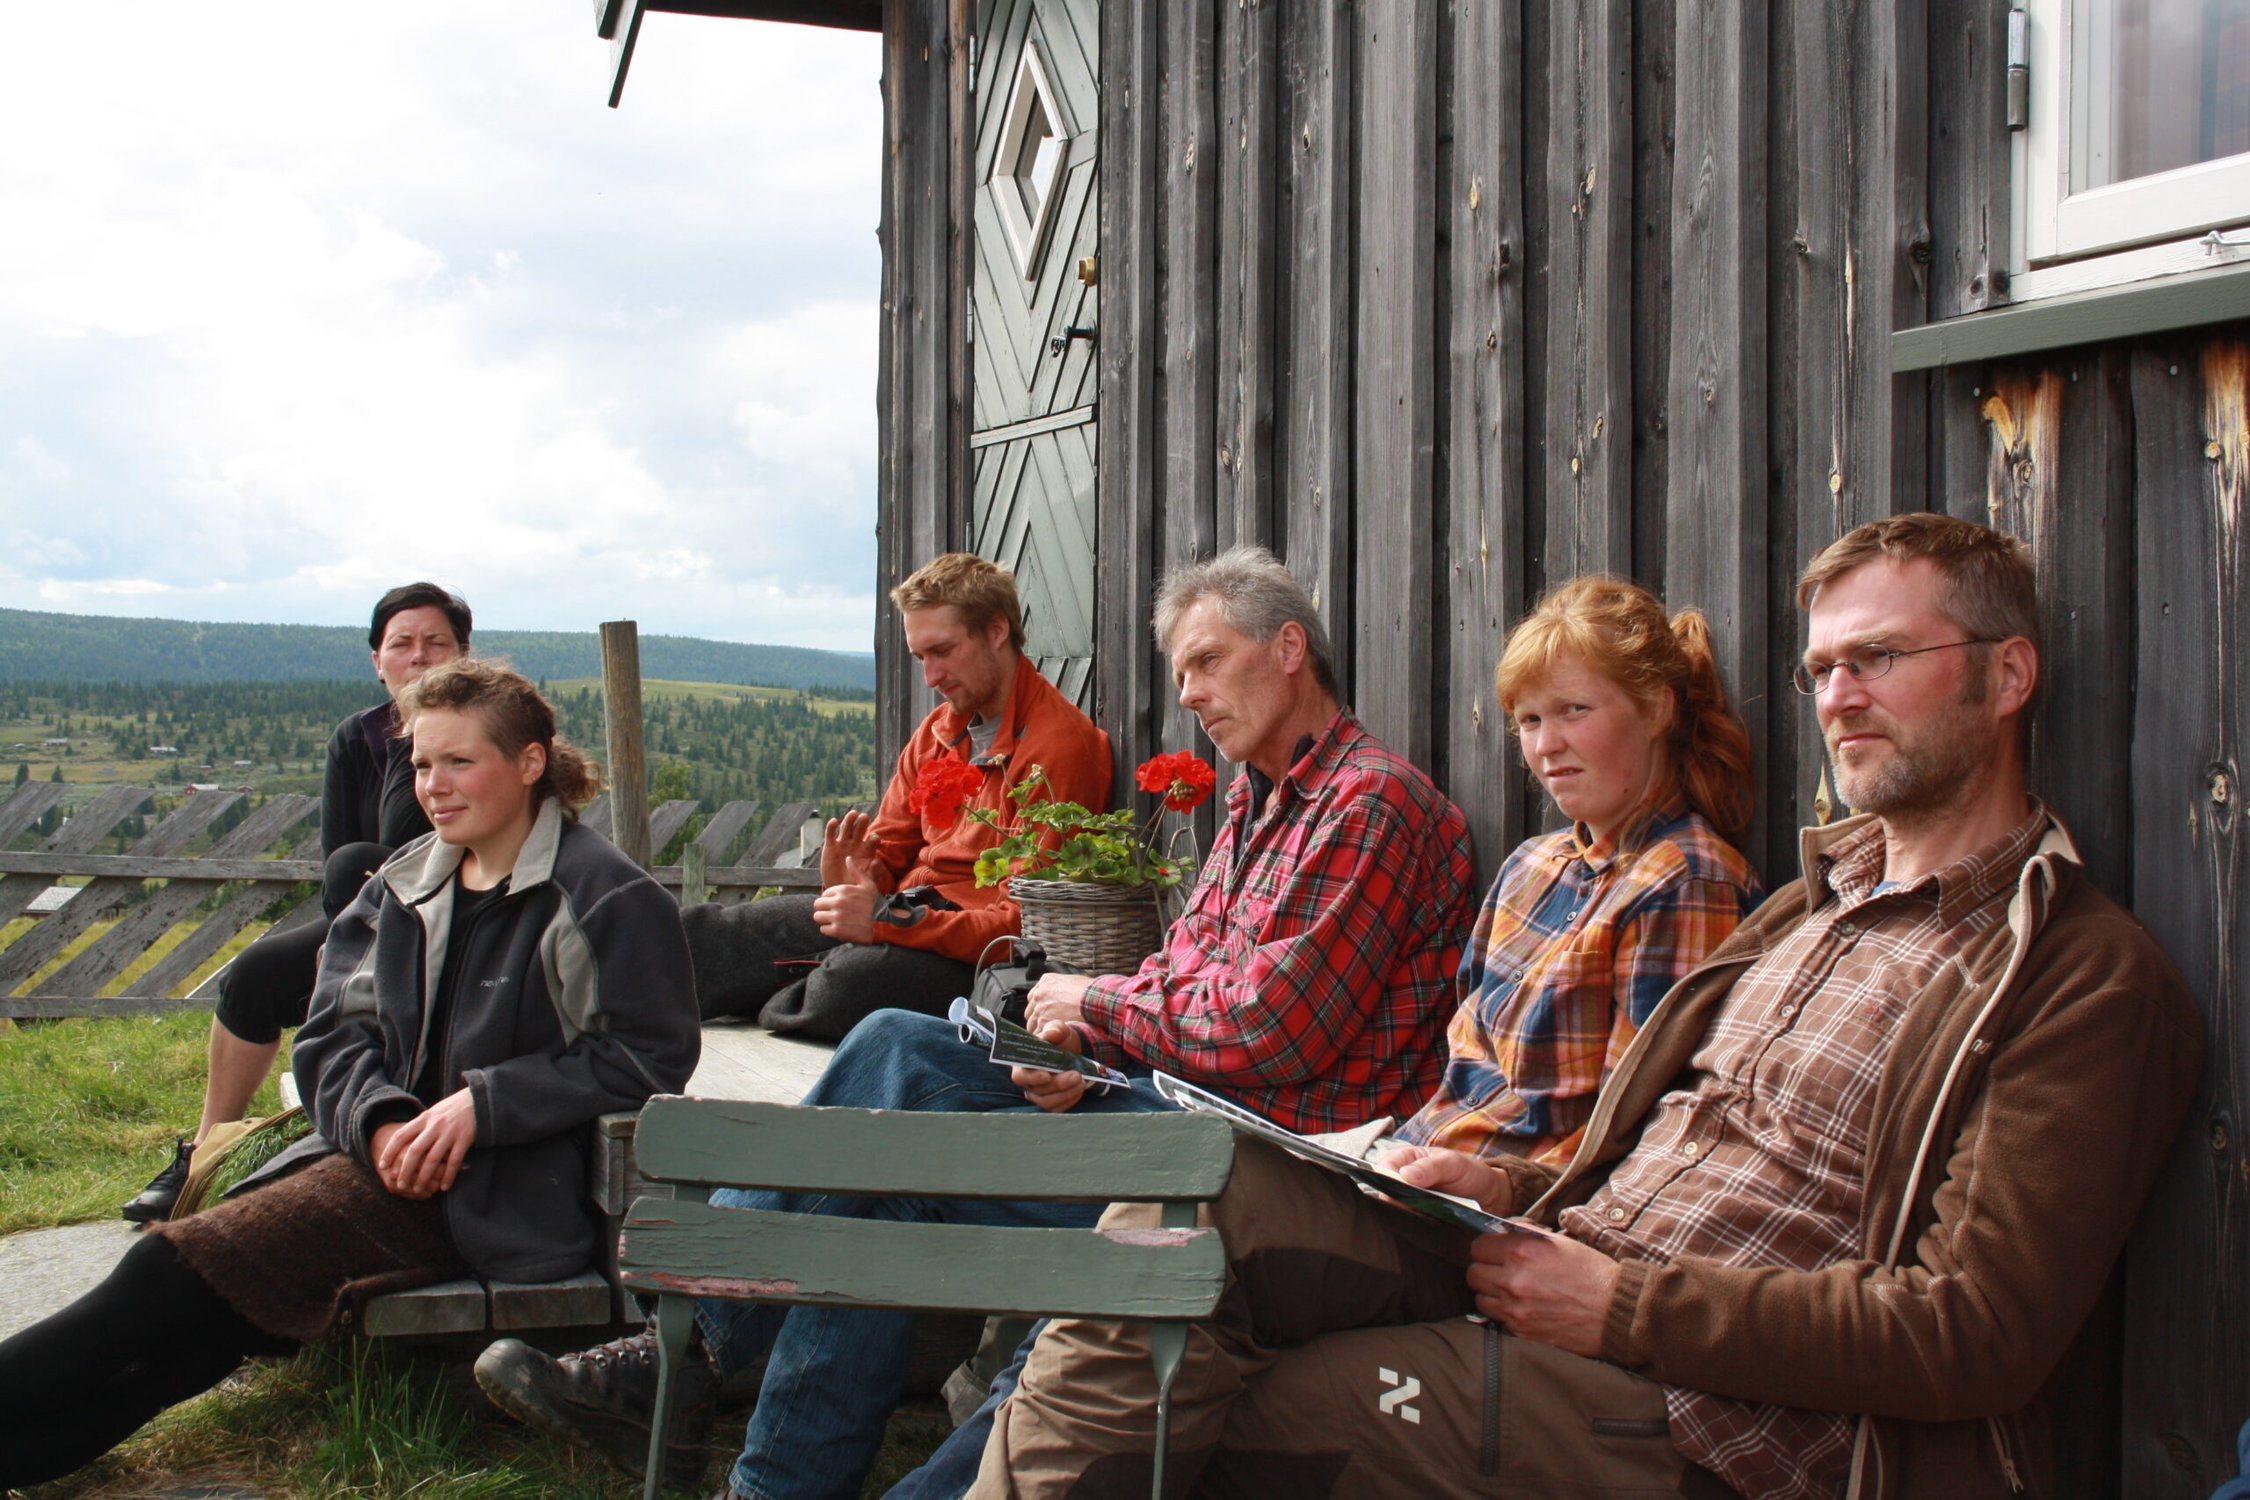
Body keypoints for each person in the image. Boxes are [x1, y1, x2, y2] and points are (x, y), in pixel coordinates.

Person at [971, 514, 2205, 1500]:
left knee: (1237, 1409)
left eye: (1880, 658)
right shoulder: (1801, 914)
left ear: (2006, 677)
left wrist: (1623, 1305)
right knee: (1194, 1190)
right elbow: (1610, 1123)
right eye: (1822, 666)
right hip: (1538, 1257)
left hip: (1709, 1419)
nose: (1838, 696)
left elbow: (1976, 1332)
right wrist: (1503, 1189)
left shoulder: (2074, 979)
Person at [474, 543, 1481, 1498]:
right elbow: (1180, 972)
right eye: (1181, 672)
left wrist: (1088, 1004)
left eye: (1206, 662)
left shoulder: (1368, 805)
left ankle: (689, 1362)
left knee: (899, 1069)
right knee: (891, 1151)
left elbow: (1270, 1032)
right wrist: (1083, 1046)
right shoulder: (1260, 806)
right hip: (1182, 1114)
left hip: (1281, 1166)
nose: (1187, 694)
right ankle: (763, 1470)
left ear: (1290, 649)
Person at [891, 572, 1768, 1498]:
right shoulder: (1535, 867)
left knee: (1147, 1214)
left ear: (1659, 706)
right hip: (1392, 1171)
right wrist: (1095, 1042)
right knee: (936, 1083)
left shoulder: (1681, 883)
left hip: (1490, 1223)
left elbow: (1641, 1145)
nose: (1545, 748)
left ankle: (745, 1334)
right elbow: (1448, 1072)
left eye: (1573, 714)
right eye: (1529, 723)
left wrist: (1495, 1181)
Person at [0, 660, 700, 1488]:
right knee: (209, 1331)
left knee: (167, 1272)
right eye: (421, 764)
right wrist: (377, 1118)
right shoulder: (407, 881)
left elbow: (649, 1053)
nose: (433, 786)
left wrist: (484, 1107)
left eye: (459, 762)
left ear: (530, 763)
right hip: (382, 1160)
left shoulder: (601, 896)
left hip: (499, 1192)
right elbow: (332, 1036)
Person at [123, 582, 472, 1222]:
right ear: (377, 660)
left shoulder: (482, 734)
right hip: (365, 911)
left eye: (436, 643)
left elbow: (422, 846)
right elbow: (342, 863)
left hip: (464, 918)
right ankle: (206, 1154)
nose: (418, 657)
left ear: (464, 654)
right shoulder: (356, 738)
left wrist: (418, 732)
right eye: (402, 644)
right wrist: (344, 931)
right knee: (256, 975)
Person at [683, 551, 1110, 1039]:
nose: (931, 676)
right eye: (920, 657)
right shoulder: (939, 732)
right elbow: (888, 848)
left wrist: (889, 921)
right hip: (905, 915)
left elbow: (1023, 924)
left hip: (974, 954)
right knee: (711, 934)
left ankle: (775, 988)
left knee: (846, 986)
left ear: (996, 631)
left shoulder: (1060, 747)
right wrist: (856, 875)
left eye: (942, 651)